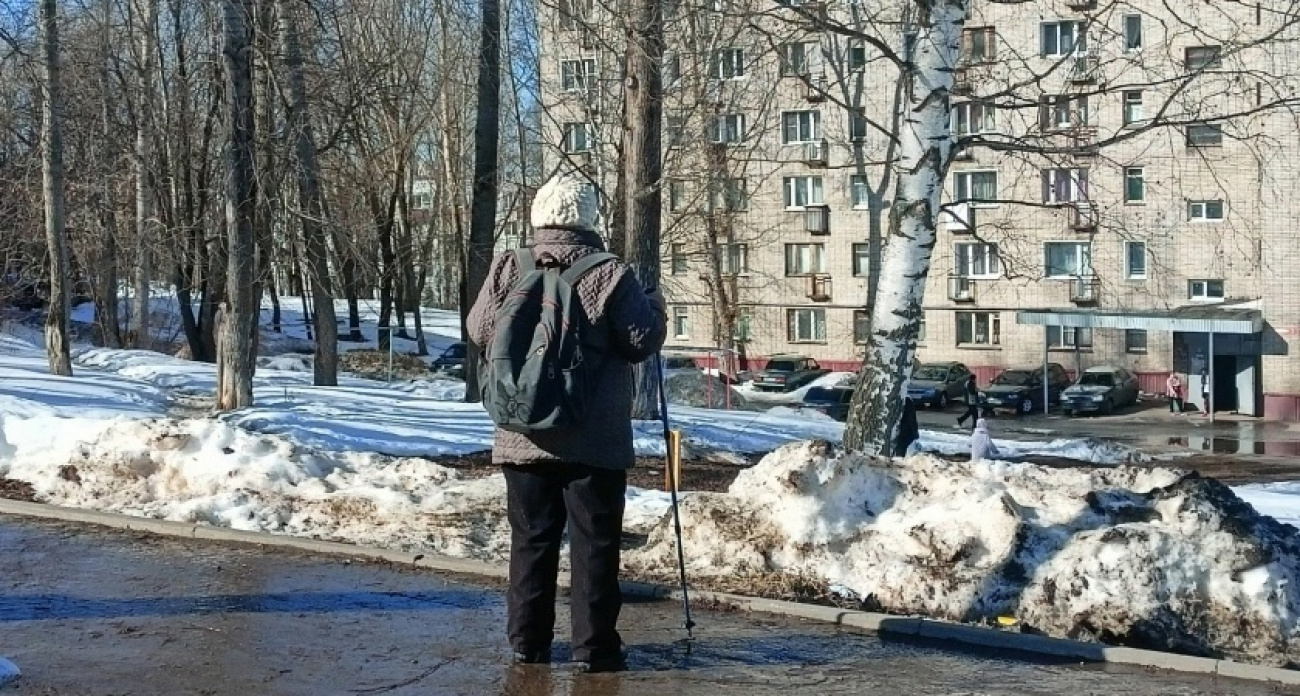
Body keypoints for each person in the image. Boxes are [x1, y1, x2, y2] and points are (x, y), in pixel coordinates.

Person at [467, 173, 668, 673]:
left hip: (522, 431)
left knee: (531, 539)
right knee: (594, 544)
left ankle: (527, 643)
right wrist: (656, 305)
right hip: (592, 440)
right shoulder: (610, 272)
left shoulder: (510, 265)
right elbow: (640, 341)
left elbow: (478, 330)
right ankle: (594, 648)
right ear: (589, 219)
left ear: (539, 216)